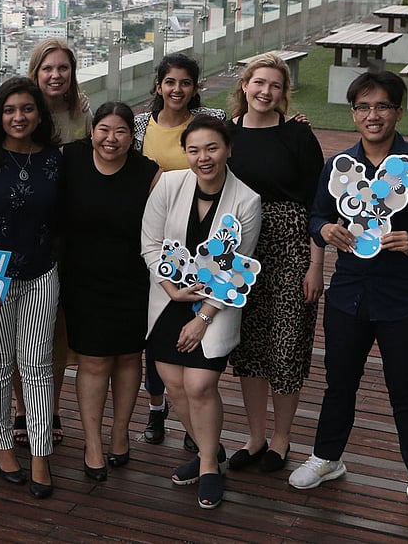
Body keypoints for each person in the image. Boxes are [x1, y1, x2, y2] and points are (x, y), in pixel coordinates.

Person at [288, 71, 408, 525]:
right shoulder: (338, 167)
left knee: (406, 391)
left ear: (398, 111)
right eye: (363, 107)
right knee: (339, 384)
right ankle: (327, 458)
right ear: (353, 114)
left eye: (382, 106)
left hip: (403, 297)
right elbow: (317, 215)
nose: (373, 115)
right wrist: (324, 229)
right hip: (348, 294)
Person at [141, 115, 261, 509]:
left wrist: (202, 317)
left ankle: (208, 462)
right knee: (174, 384)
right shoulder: (171, 184)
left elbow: (237, 268)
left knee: (199, 386)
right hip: (167, 300)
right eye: (193, 150)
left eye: (211, 148)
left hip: (216, 305)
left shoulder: (246, 200)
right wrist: (171, 290)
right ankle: (212, 450)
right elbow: (150, 243)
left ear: (227, 149)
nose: (202, 157)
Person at [223, 54, 326, 475]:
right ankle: (255, 436)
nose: (266, 92)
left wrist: (315, 265)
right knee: (248, 347)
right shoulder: (226, 135)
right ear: (244, 86)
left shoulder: (298, 136)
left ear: (284, 94)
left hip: (290, 248)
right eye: (258, 83)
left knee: (286, 344)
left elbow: (321, 205)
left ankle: (282, 438)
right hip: (240, 248)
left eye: (275, 86)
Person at [0, 77, 62, 499]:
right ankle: (1, 444)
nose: (18, 117)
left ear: (39, 114)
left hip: (42, 272)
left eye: (27, 109)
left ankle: (40, 452)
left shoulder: (55, 159)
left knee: (37, 365)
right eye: (9, 110)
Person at [60, 102, 161, 482]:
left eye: (120, 131)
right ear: (92, 130)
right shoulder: (70, 159)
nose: (111, 138)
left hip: (133, 279)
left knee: (129, 357)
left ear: (131, 136)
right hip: (83, 280)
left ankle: (120, 433)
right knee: (94, 361)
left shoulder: (148, 172)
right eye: (104, 129)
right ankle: (92, 442)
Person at [133, 53, 225, 449]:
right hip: (150, 239)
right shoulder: (139, 126)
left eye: (185, 83)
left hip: (199, 240)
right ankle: (158, 406)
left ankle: (192, 416)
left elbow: (246, 137)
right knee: (154, 329)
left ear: (196, 88)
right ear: (158, 86)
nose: (177, 89)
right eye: (169, 82)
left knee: (192, 329)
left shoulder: (211, 123)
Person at [12, 37, 90, 447]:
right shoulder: (23, 110)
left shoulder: (83, 112)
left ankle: (50, 408)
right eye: (48, 68)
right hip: (21, 226)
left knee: (52, 329)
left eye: (63, 68)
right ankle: (22, 410)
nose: (56, 75)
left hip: (67, 229)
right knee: (13, 328)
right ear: (35, 72)